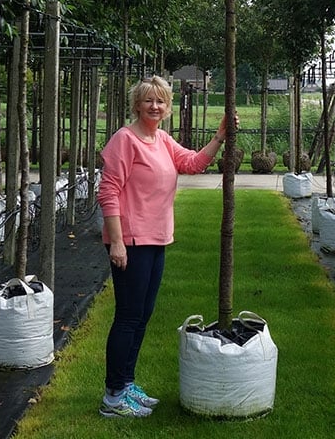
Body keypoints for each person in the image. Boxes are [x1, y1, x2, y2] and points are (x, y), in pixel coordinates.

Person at [96, 74, 235, 418]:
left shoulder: (160, 140)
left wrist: (219, 137)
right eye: (148, 100)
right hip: (130, 240)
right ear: (137, 104)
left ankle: (127, 383)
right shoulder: (125, 140)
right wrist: (116, 242)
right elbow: (108, 191)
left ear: (168, 107)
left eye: (160, 101)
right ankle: (113, 397)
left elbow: (192, 163)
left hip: (156, 238)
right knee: (128, 317)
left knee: (142, 316)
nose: (154, 106)